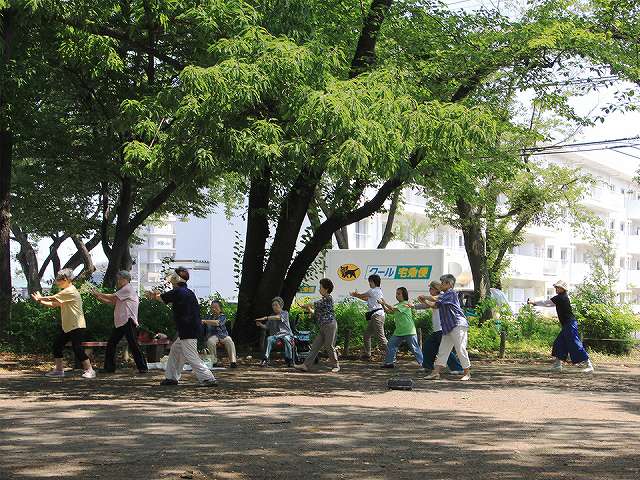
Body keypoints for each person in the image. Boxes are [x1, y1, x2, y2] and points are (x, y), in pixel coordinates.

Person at [146, 269, 217, 386]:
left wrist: (153, 294)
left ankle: (208, 378)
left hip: (187, 329)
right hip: (190, 328)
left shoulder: (178, 292)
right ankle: (171, 377)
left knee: (191, 355)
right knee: (175, 350)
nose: (171, 281)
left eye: (172, 279)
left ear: (176, 279)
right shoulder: (188, 292)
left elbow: (160, 298)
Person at [30, 269, 96, 379]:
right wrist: (40, 301)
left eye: (58, 280)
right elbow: (54, 304)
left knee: (77, 348)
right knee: (57, 345)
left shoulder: (70, 291)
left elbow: (52, 297)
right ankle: (59, 370)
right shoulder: (66, 293)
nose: (57, 282)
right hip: (68, 326)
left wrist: (40, 297)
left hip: (76, 325)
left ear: (65, 279)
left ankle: (90, 370)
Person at [527, 280, 594, 373]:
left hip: (570, 324)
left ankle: (589, 365)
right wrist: (535, 303)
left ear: (563, 289)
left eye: (557, 287)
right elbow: (550, 304)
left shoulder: (561, 297)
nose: (556, 289)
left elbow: (546, 302)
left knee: (575, 344)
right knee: (559, 343)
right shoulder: (561, 297)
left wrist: (533, 302)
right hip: (568, 325)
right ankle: (557, 365)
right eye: (556, 287)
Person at [90, 270, 148, 374]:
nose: (118, 281)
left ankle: (143, 367)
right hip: (121, 322)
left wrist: (98, 293)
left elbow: (112, 296)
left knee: (133, 344)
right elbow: (111, 301)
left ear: (125, 279)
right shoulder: (123, 291)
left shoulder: (127, 289)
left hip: (128, 320)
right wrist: (98, 297)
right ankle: (109, 367)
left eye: (119, 279)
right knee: (112, 343)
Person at [420, 274, 471, 381]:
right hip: (448, 327)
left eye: (443, 283)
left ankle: (467, 373)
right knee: (443, 350)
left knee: (460, 348)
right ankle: (435, 373)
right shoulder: (445, 295)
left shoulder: (451, 293)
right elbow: (435, 305)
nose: (441, 285)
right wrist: (424, 301)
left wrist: (425, 297)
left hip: (458, 324)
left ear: (449, 284)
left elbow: (435, 298)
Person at [416, 280, 464, 374]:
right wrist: (413, 306)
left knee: (445, 350)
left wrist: (424, 297)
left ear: (436, 289)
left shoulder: (443, 296)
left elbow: (434, 301)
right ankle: (428, 367)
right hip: (437, 330)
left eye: (431, 288)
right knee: (428, 346)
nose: (429, 290)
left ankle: (458, 368)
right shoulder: (436, 298)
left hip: (442, 329)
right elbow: (427, 305)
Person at [295, 278, 340, 373]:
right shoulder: (323, 300)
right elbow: (315, 312)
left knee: (329, 346)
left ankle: (336, 365)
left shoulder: (328, 298)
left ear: (326, 289)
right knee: (315, 346)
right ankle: (305, 365)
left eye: (321, 287)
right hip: (323, 326)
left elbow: (314, 304)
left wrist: (306, 305)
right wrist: (308, 309)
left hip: (330, 325)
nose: (319, 289)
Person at [378, 287, 423, 368]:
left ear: (404, 295)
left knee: (415, 349)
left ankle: (424, 364)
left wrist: (384, 303)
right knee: (390, 345)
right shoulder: (398, 305)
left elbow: (392, 308)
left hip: (408, 330)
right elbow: (388, 311)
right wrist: (382, 304)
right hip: (399, 331)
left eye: (398, 294)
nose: (396, 295)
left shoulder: (406, 304)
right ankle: (389, 363)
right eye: (396, 293)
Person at [350, 274, 387, 360]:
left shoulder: (372, 291)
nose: (369, 283)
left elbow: (362, 295)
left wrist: (355, 294)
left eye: (370, 282)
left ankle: (391, 354)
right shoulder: (378, 291)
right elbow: (366, 299)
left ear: (373, 282)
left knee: (381, 337)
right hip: (376, 315)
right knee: (367, 335)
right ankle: (367, 354)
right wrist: (357, 295)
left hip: (377, 316)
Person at [255, 297, 294, 367]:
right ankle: (265, 359)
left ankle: (289, 359)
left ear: (281, 306)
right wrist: (260, 324)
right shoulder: (272, 316)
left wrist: (265, 318)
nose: (274, 307)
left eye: (276, 305)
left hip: (286, 334)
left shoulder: (285, 313)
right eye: (273, 305)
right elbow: (266, 327)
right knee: (269, 338)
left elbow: (278, 317)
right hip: (276, 336)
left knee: (286, 338)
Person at [202, 300, 237, 368]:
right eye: (212, 307)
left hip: (223, 335)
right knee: (210, 341)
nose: (214, 309)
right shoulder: (208, 317)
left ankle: (233, 362)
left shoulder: (223, 316)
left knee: (229, 341)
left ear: (220, 308)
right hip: (212, 335)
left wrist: (205, 321)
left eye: (216, 307)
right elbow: (203, 328)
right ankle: (214, 362)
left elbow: (217, 323)